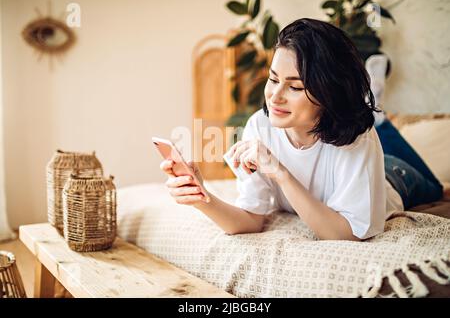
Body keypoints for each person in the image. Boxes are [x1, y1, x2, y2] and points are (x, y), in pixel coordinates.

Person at [160, 18, 443, 241]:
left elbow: (346, 234)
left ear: (327, 92)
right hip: (363, 150)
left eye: (295, 87)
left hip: (395, 178)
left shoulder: (356, 138)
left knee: (436, 188)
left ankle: (377, 113)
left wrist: (280, 172)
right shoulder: (260, 125)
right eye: (273, 79)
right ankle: (375, 107)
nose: (275, 96)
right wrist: (202, 198)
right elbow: (250, 219)